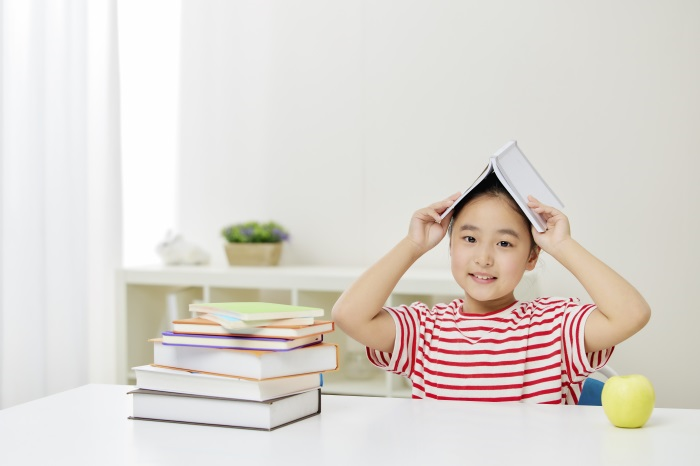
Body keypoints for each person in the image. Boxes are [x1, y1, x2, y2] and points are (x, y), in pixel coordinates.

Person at [332, 173, 651, 404]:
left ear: (531, 255)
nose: (483, 258)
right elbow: (349, 315)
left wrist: (563, 245)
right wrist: (413, 244)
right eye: (469, 239)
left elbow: (631, 315)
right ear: (451, 245)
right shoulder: (426, 329)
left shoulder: (552, 326)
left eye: (504, 243)